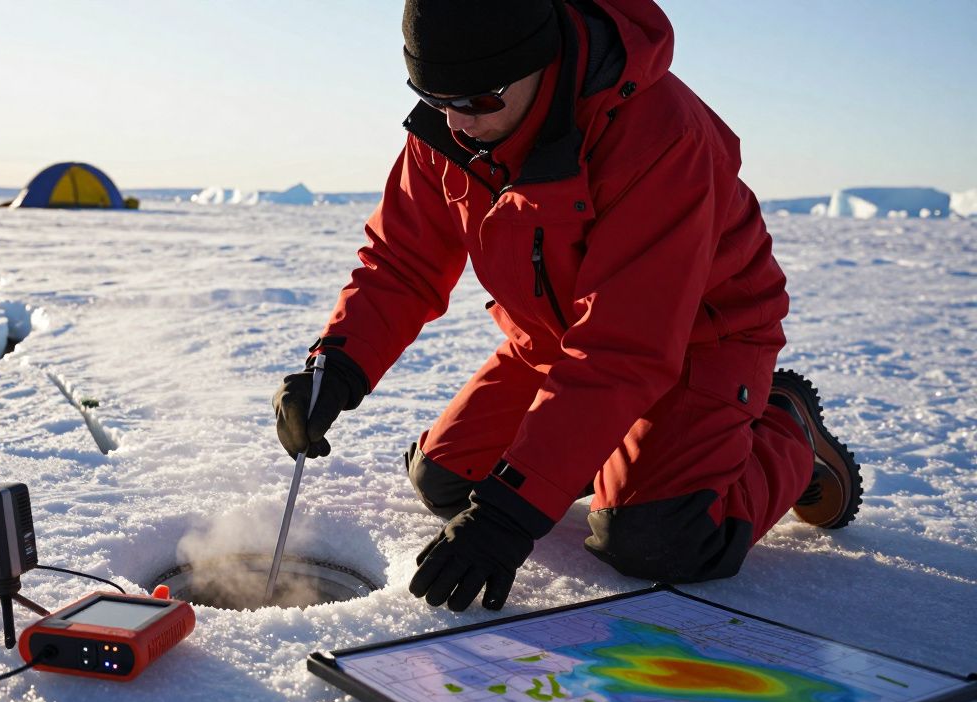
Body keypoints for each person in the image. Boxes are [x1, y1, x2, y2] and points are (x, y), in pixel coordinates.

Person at [273, 0, 862, 613]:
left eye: (477, 99)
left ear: (540, 61)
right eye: (434, 96)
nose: (456, 121)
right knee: (447, 481)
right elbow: (401, 261)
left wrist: (512, 516)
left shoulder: (660, 137)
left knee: (652, 538)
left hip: (703, 342)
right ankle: (617, 448)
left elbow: (623, 345)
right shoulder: (454, 125)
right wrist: (336, 366)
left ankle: (786, 431)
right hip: (556, 342)